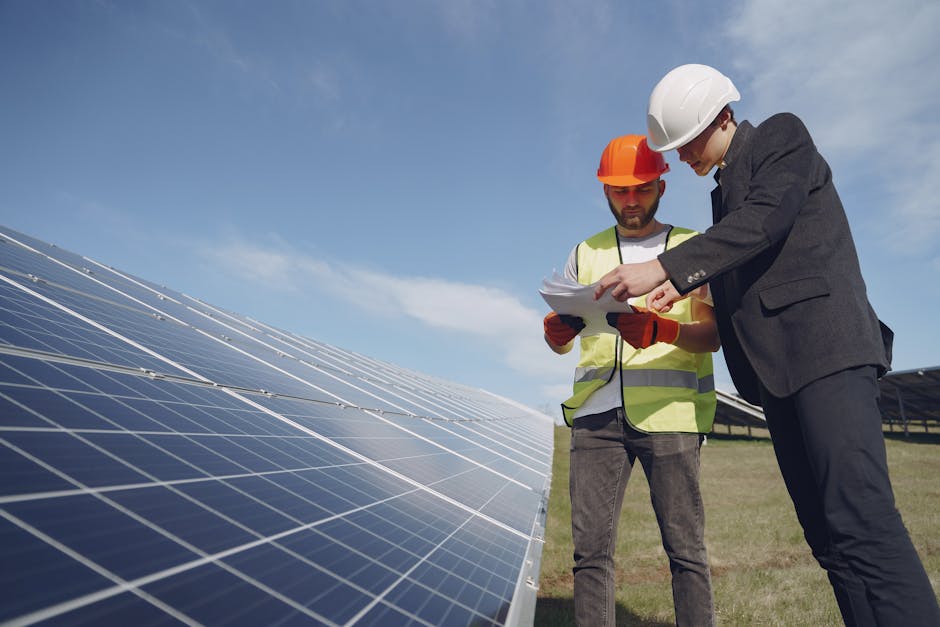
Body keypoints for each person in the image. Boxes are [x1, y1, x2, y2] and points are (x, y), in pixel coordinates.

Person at [594, 64, 940, 626]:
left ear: (724, 117)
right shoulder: (723, 195)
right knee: (829, 542)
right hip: (776, 374)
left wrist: (665, 265)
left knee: (863, 523)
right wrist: (679, 289)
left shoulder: (782, 136)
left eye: (688, 142)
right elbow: (746, 259)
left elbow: (764, 222)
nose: (681, 157)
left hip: (827, 353)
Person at [543, 134, 720, 627]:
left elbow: (712, 336)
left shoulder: (691, 247)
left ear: (661, 185)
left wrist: (665, 328)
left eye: (641, 189)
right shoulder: (586, 251)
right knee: (589, 556)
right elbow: (565, 342)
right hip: (596, 417)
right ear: (605, 190)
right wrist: (555, 334)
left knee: (686, 552)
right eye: (619, 191)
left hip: (671, 416)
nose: (631, 200)